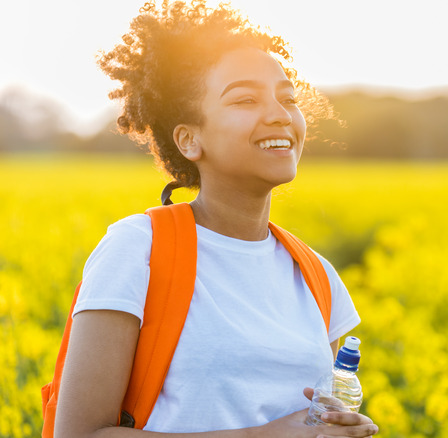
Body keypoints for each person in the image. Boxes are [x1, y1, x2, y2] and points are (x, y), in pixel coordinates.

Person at [54, 1, 378, 437]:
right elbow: (78, 433)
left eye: (288, 98)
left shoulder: (317, 275)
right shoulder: (139, 248)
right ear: (189, 139)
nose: (280, 114)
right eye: (245, 99)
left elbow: (311, 422)